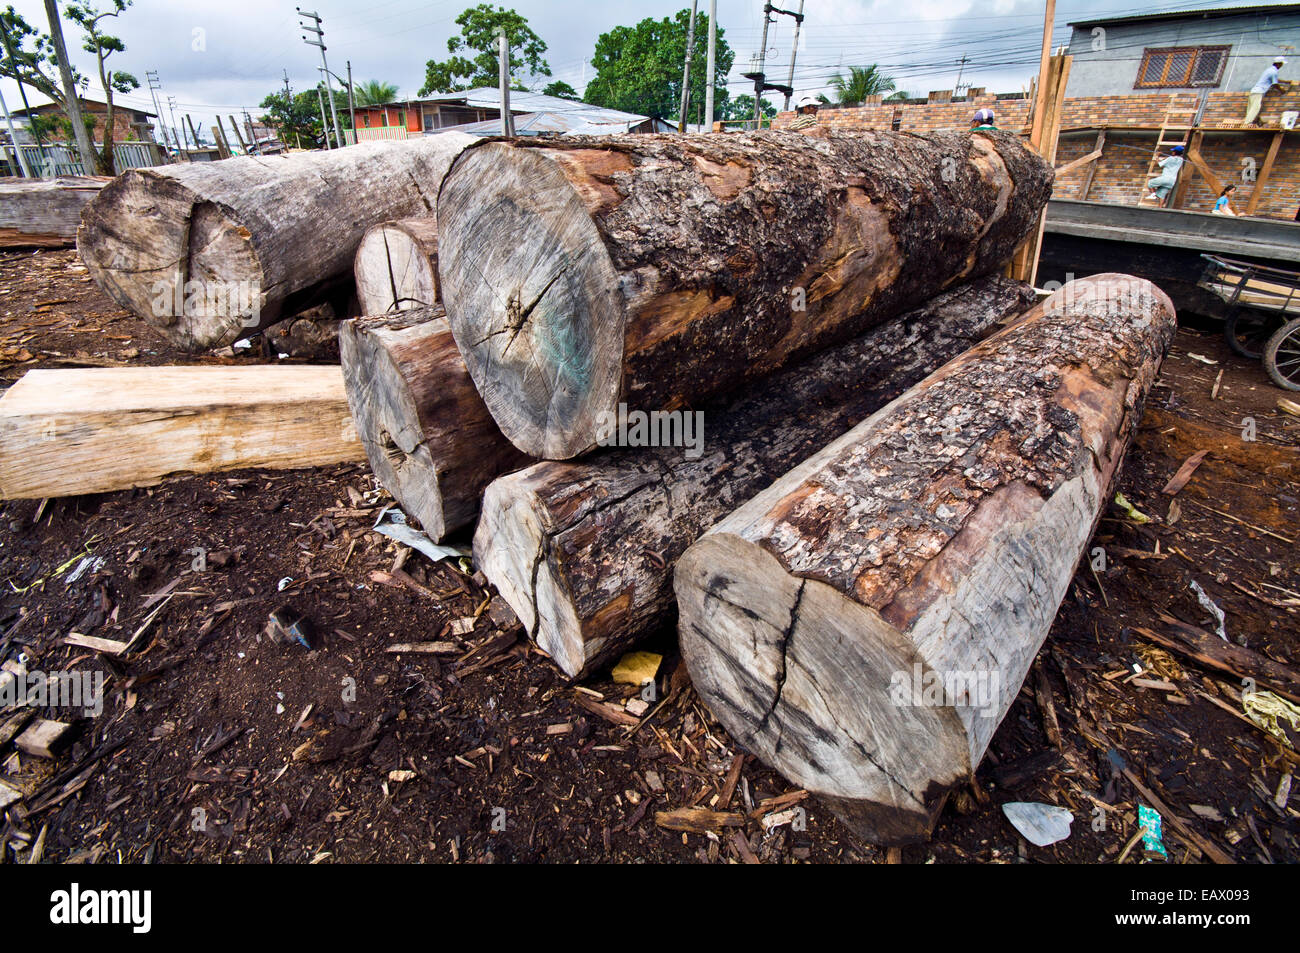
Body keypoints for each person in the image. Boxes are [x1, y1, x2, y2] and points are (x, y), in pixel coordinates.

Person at [1245, 57, 1289, 126]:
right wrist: (1282, 90)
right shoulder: (1273, 72)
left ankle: (1247, 122)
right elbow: (1275, 84)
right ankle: (1248, 123)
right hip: (1259, 91)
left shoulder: (1269, 70)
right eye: (1281, 64)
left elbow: (1275, 79)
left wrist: (1286, 82)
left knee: (1251, 108)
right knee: (1255, 107)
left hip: (1254, 91)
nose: (1281, 66)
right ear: (1279, 64)